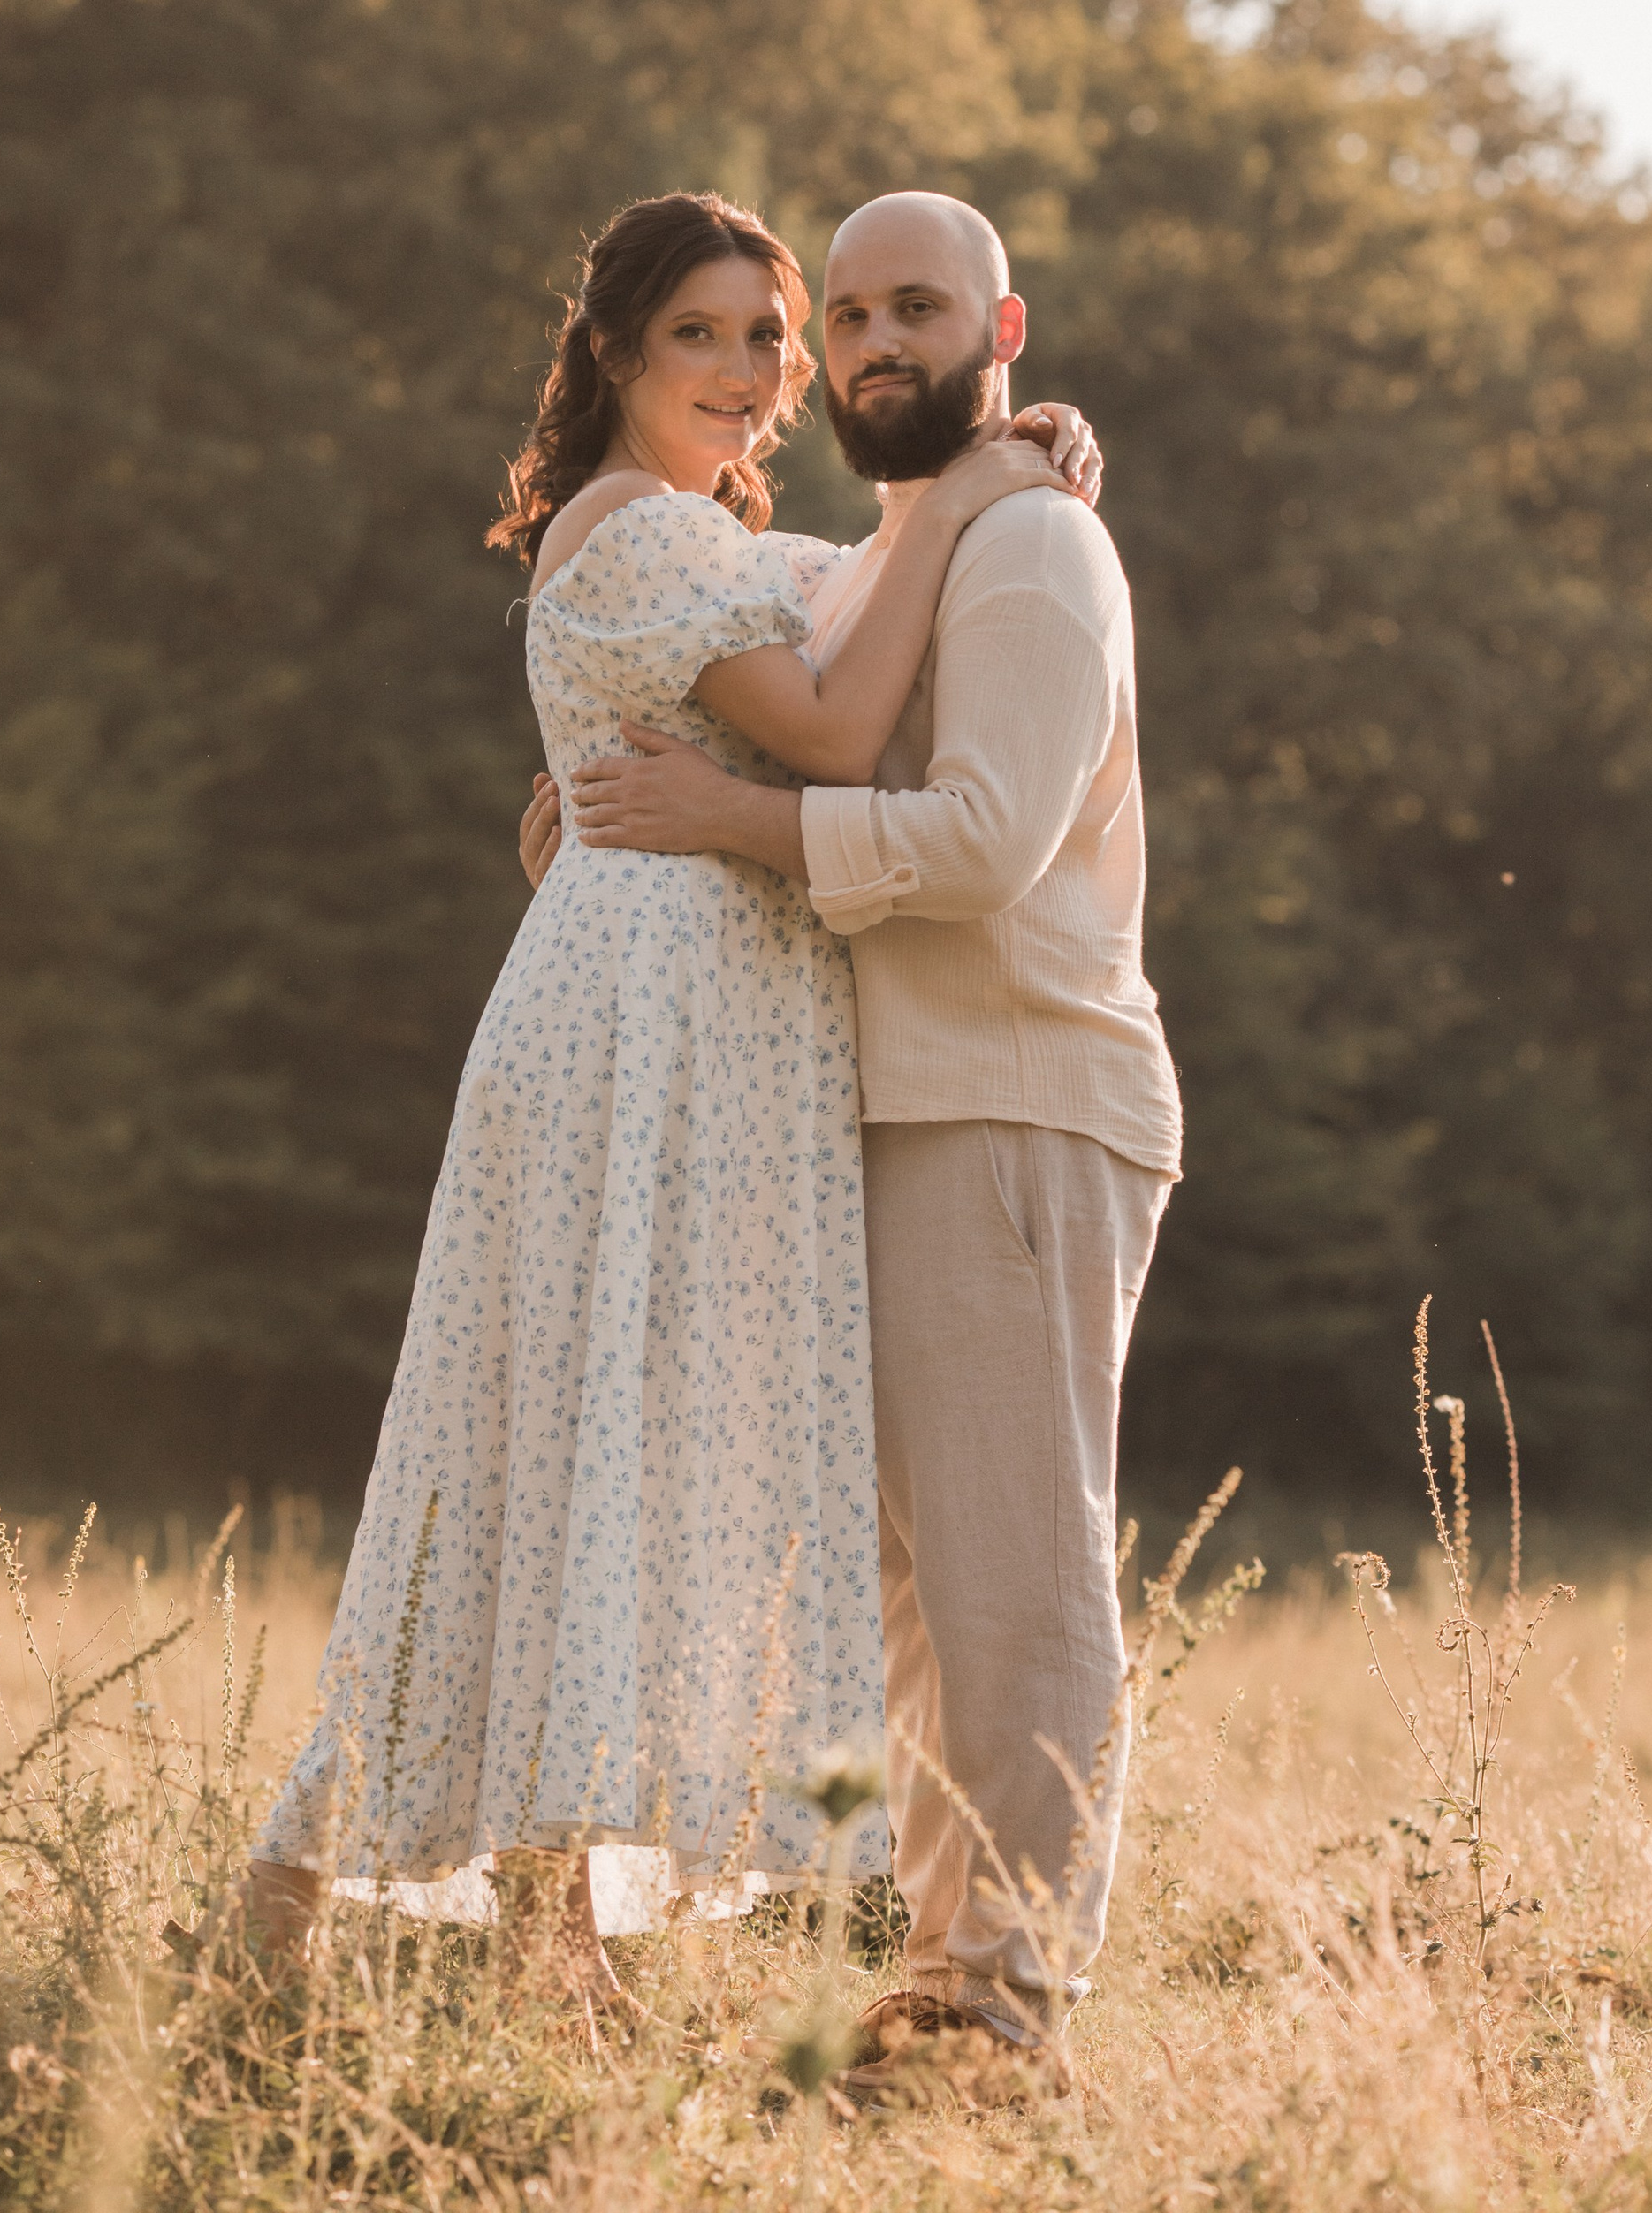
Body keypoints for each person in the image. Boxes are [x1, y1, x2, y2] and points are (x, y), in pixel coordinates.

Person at [242, 191, 1094, 2002]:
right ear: (618, 353)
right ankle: (301, 1908)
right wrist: (971, 490)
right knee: (564, 1444)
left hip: (722, 1033)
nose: (744, 370)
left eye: (765, 336)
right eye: (699, 334)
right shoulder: (636, 532)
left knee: (627, 1464)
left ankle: (565, 1952)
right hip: (639, 1035)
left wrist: (1020, 450)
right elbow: (844, 730)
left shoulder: (732, 544)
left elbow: (847, 617)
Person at [526, 191, 1180, 2082]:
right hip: (876, 1111)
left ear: (1002, 328)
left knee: (1011, 1569)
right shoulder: (878, 548)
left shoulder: (1033, 545)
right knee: (905, 1580)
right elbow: (733, 694)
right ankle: (938, 1965)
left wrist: (726, 828)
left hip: (1016, 1093)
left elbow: (978, 842)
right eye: (859, 314)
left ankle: (1014, 2001)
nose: (879, 342)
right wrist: (587, 801)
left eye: (922, 308)